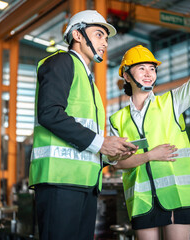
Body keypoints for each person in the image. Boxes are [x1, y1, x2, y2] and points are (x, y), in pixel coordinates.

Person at [109, 27, 190, 240]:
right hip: (142, 200)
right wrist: (149, 156)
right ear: (126, 75)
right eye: (141, 68)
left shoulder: (171, 102)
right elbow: (116, 163)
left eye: (152, 69)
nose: (148, 73)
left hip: (178, 196)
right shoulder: (118, 120)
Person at [28, 10, 137, 240]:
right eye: (99, 34)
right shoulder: (61, 62)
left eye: (106, 38)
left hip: (84, 183)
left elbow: (87, 134)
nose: (104, 43)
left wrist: (111, 151)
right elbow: (49, 113)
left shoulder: (88, 80)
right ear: (77, 35)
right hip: (60, 181)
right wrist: (101, 143)